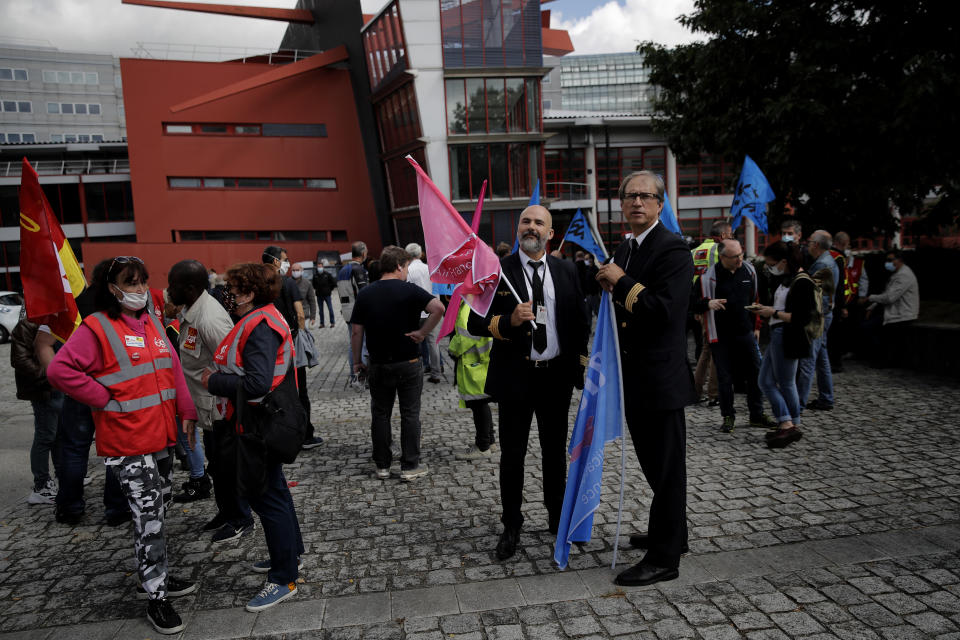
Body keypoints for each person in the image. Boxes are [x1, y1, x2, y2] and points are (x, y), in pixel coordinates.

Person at [47, 255, 198, 635]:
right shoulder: (96, 327)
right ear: (111, 288)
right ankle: (156, 596)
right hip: (128, 442)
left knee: (159, 513)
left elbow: (174, 370)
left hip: (161, 438)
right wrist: (101, 397)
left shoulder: (152, 323)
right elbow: (59, 369)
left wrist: (188, 412)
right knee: (148, 517)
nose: (140, 290)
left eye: (143, 282)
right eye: (131, 283)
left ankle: (155, 572)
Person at [468, 205, 590, 561]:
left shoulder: (567, 270)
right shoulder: (497, 271)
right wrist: (509, 320)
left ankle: (557, 519)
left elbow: (581, 323)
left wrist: (579, 370)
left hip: (556, 378)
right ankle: (512, 525)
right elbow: (476, 323)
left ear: (550, 234)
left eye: (539, 223)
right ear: (517, 228)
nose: (531, 227)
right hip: (515, 379)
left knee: (555, 455)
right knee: (513, 456)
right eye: (526, 221)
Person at [596, 170, 695, 587]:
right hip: (635, 379)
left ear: (660, 204)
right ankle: (673, 533)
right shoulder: (627, 246)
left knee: (667, 469)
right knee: (656, 468)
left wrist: (620, 281)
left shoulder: (672, 248)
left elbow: (663, 312)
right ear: (622, 205)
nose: (637, 202)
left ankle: (664, 558)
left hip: (661, 379)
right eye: (630, 196)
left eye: (646, 196)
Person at [202, 262, 305, 612]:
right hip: (261, 420)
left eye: (232, 289)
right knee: (275, 492)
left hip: (256, 424)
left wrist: (212, 381)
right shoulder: (262, 317)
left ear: (248, 293)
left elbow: (257, 383)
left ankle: (283, 577)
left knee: (268, 498)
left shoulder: (260, 325)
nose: (227, 295)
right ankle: (290, 557)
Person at [166, 260, 255, 541]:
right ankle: (226, 511)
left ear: (190, 288)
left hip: (221, 409)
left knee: (228, 466)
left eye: (173, 285)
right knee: (217, 465)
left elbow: (232, 365)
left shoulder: (209, 318)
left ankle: (240, 517)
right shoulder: (191, 313)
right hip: (206, 409)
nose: (168, 290)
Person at [38, 259, 131, 527]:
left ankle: (70, 507)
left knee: (74, 449)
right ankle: (116, 509)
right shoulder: (121, 306)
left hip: (81, 390)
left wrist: (62, 380)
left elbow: (42, 344)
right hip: (115, 390)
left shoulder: (71, 304)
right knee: (117, 450)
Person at [351, 246, 444, 481]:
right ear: (400, 266)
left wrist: (357, 361)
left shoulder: (366, 294)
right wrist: (423, 333)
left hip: (378, 363)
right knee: (410, 413)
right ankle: (410, 466)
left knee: (380, 414)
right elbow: (438, 308)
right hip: (409, 361)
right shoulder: (411, 290)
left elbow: (356, 332)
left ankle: (382, 465)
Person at [691, 240, 774, 433]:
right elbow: (692, 303)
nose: (739, 260)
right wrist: (708, 304)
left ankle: (757, 414)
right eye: (734, 257)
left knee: (755, 373)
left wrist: (757, 326)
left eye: (741, 255)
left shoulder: (749, 271)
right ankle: (728, 416)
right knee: (724, 377)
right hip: (720, 335)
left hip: (745, 331)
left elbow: (756, 299)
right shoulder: (707, 278)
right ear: (722, 257)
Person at [750, 242, 818, 449]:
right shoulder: (789, 280)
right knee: (766, 380)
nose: (771, 267)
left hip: (788, 336)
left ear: (784, 262)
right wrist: (769, 310)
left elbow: (801, 316)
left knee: (783, 381)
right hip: (780, 333)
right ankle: (788, 421)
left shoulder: (802, 282)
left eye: (772, 263)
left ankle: (788, 422)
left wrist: (773, 313)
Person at [262, 246, 322, 449]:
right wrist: (302, 334)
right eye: (285, 259)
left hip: (268, 345)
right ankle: (305, 435)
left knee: (276, 391)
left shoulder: (260, 282)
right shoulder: (287, 283)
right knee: (300, 391)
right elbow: (300, 313)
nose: (288, 263)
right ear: (276, 261)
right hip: (290, 342)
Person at [11, 317, 63, 504]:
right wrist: (49, 374)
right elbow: (20, 359)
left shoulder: (53, 321)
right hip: (43, 390)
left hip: (56, 387)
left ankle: (61, 475)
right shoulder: (26, 325)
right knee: (45, 435)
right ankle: (41, 485)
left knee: (57, 434)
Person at [691, 219, 733, 406]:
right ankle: (714, 393)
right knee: (718, 350)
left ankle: (696, 391)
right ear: (723, 235)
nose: (732, 238)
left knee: (706, 350)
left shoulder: (695, 251)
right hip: (717, 306)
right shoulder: (721, 250)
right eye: (730, 234)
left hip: (700, 305)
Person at [796, 230, 839, 411]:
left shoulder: (822, 264)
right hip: (825, 315)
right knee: (822, 358)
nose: (807, 244)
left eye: (809, 241)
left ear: (816, 245)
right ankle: (826, 398)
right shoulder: (829, 260)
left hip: (817, 317)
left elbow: (813, 293)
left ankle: (797, 404)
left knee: (808, 361)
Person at [449, 300, 495, 460]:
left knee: (478, 404)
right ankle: (490, 440)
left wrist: (452, 349)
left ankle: (482, 446)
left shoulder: (468, 305)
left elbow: (465, 336)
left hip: (473, 363)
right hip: (482, 361)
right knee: (482, 402)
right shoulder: (481, 301)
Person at [864, 249, 919, 367]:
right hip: (895, 312)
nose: (887, 263)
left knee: (871, 329)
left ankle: (884, 359)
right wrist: (872, 306)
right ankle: (883, 358)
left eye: (890, 260)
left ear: (899, 260)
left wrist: (870, 298)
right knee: (868, 327)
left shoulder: (904, 275)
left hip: (902, 314)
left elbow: (889, 298)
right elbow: (887, 294)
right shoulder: (897, 274)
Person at [404, 242, 443, 383]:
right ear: (420, 254)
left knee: (415, 342)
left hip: (415, 313)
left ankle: (417, 372)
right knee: (433, 343)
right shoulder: (430, 269)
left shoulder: (407, 270)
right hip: (433, 312)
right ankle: (436, 373)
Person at [338, 241, 370, 374]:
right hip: (358, 312)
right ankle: (362, 375)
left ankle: (354, 375)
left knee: (353, 344)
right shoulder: (358, 269)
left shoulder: (342, 269)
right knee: (363, 344)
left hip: (346, 310)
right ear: (363, 253)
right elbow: (364, 293)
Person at [290, 262, 317, 328]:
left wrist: (312, 317)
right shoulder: (287, 282)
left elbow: (312, 301)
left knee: (304, 337)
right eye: (293, 270)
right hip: (291, 317)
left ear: (302, 271)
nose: (295, 272)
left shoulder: (307, 283)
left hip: (304, 317)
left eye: (297, 270)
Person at [312, 260, 336, 328]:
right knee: (321, 311)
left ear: (323, 267)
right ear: (317, 267)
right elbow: (313, 285)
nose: (319, 268)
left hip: (327, 295)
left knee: (330, 309)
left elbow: (333, 283)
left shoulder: (327, 275)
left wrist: (329, 290)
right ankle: (322, 323)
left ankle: (332, 322)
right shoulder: (315, 276)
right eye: (318, 267)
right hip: (319, 295)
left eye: (320, 266)